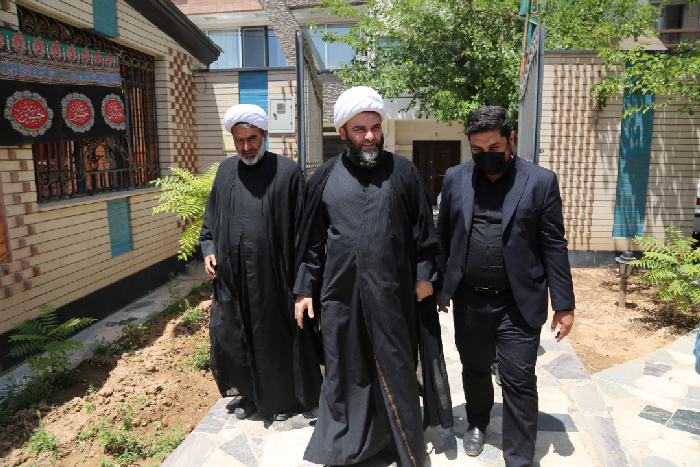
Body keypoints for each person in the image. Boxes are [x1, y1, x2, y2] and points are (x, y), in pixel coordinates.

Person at [294, 86, 453, 467]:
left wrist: (425, 276)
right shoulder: (325, 177)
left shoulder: (403, 171)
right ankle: (346, 447)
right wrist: (304, 289)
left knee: (396, 365)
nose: (369, 136)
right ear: (343, 132)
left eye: (375, 127)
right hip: (340, 294)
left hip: (392, 292)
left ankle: (399, 444)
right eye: (360, 129)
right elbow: (311, 243)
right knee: (345, 368)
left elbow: (423, 230)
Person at [436, 106, 575, 466]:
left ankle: (519, 457)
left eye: (494, 147)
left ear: (511, 139)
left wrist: (564, 304)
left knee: (518, 378)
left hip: (518, 301)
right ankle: (477, 421)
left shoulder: (540, 181)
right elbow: (443, 236)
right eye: (477, 149)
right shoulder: (455, 178)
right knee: (475, 368)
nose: (486, 155)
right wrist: (440, 284)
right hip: (470, 299)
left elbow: (553, 246)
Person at [199, 104, 322, 422]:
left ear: (265, 134)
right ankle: (248, 394)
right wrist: (209, 248)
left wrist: (304, 282)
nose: (246, 147)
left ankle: (283, 401)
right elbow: (211, 218)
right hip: (232, 280)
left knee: (273, 340)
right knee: (233, 335)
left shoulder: (287, 172)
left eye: (252, 138)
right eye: (239, 140)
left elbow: (305, 232)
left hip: (274, 280)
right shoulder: (226, 171)